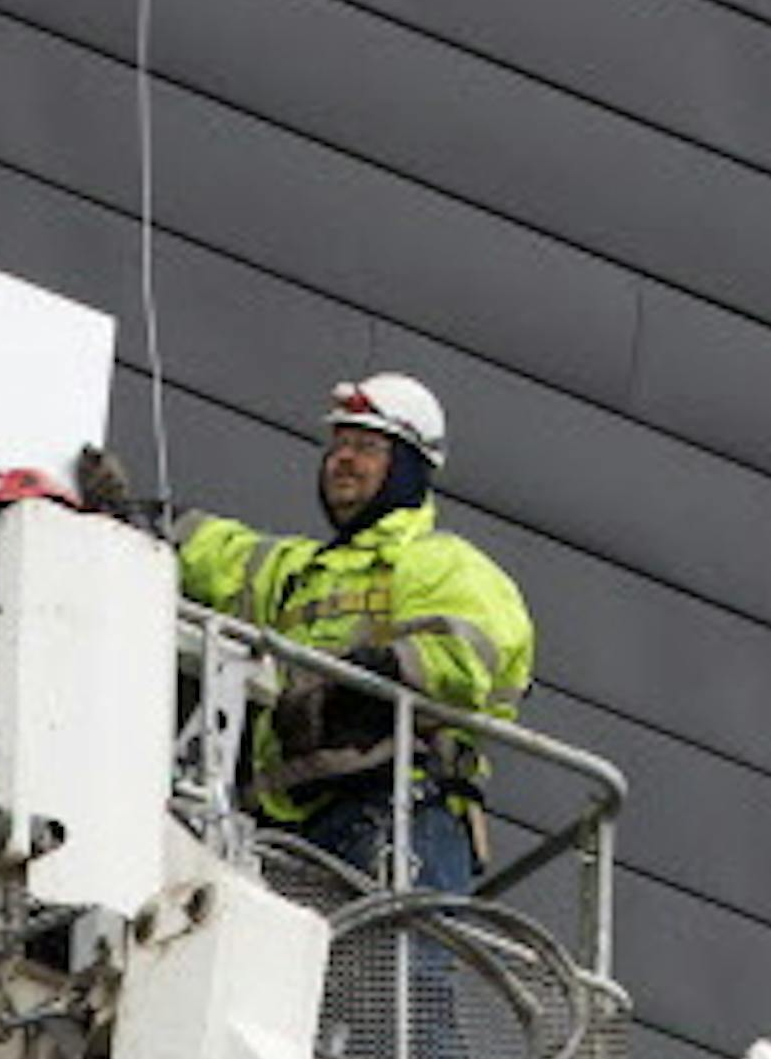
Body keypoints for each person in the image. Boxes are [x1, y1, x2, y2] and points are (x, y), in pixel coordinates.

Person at [174, 372, 532, 898]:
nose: (344, 458)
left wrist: (368, 682)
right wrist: (139, 517)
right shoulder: (300, 571)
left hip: (399, 817)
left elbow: (468, 658)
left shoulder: (444, 563)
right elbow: (218, 556)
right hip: (291, 832)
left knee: (399, 979)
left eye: (366, 447)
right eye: (339, 444)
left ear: (409, 468)